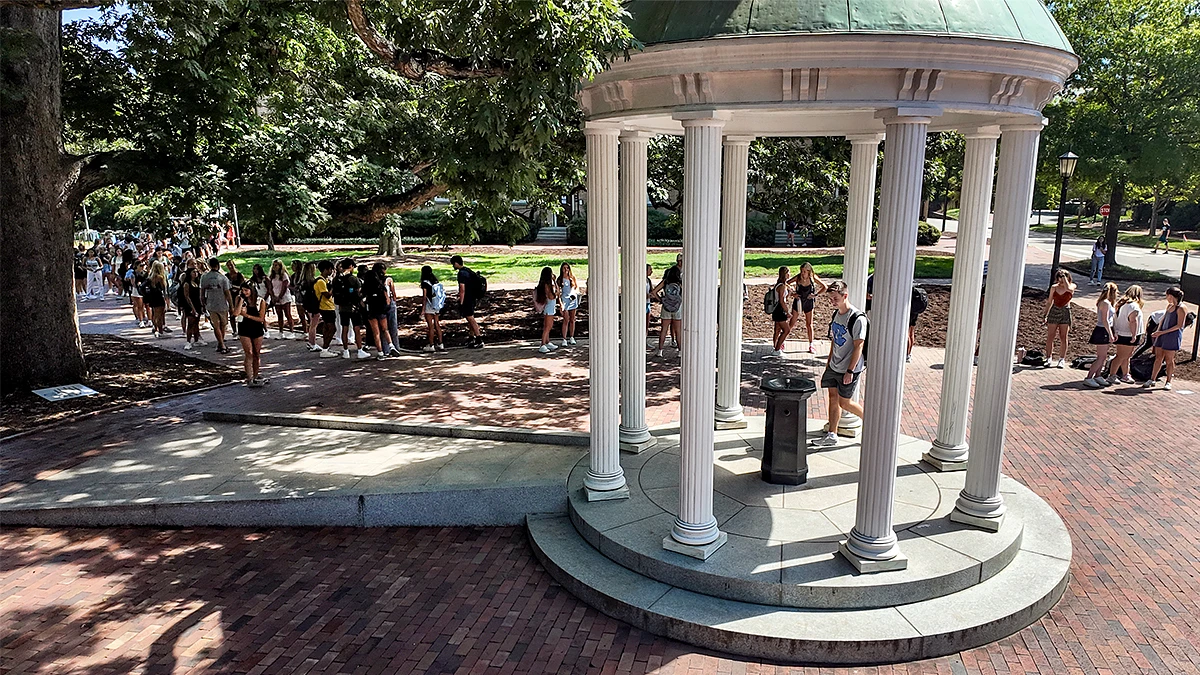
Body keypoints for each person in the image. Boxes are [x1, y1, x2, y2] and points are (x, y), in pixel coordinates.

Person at [812, 281, 867, 447]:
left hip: (849, 368)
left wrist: (850, 371)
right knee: (832, 398)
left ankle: (872, 424)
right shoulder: (837, 314)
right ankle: (832, 434)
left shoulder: (857, 318)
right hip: (834, 365)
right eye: (831, 299)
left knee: (845, 402)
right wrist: (829, 362)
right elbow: (835, 341)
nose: (833, 302)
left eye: (835, 299)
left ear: (845, 296)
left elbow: (859, 345)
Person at [1145, 286, 1187, 390]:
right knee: (1158, 357)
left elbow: (1179, 325)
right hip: (1162, 334)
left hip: (1172, 336)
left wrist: (1163, 332)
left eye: (1167, 295)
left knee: (1169, 359)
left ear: (1171, 296)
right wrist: (1158, 331)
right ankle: (1152, 379)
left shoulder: (1181, 308)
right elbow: (1163, 320)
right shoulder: (1169, 306)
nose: (1166, 297)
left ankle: (1168, 381)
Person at [787, 262, 827, 354]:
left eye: (804, 271)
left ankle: (811, 344)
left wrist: (815, 294)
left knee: (809, 324)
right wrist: (793, 294)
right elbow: (786, 283)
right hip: (798, 302)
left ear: (809, 271)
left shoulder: (813, 278)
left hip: (809, 302)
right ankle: (782, 342)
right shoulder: (798, 278)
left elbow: (824, 287)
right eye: (801, 271)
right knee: (792, 323)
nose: (802, 273)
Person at [331, 258, 368, 359]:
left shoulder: (336, 279)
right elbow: (360, 292)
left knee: (344, 328)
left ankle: (345, 350)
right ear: (351, 266)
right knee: (356, 328)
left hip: (342, 307)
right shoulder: (353, 279)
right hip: (353, 307)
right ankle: (360, 350)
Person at [1083, 283, 1118, 388]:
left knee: (1103, 357)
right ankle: (1089, 377)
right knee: (1101, 357)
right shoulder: (1105, 303)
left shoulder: (1107, 303)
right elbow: (1105, 320)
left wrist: (1114, 331)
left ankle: (1098, 375)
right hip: (1102, 330)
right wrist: (1110, 334)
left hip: (1106, 330)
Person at [1109, 285, 1145, 384]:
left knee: (1126, 356)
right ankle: (1112, 375)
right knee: (1121, 356)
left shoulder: (1121, 304)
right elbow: (1133, 321)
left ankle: (1125, 374)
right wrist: (1134, 335)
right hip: (1128, 334)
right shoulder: (1134, 306)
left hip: (1120, 332)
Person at [233, 284, 268, 387]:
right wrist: (240, 301)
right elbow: (236, 313)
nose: (245, 292)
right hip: (244, 328)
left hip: (256, 328)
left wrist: (247, 315)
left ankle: (256, 375)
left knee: (256, 353)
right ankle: (249, 378)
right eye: (242, 290)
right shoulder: (239, 299)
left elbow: (261, 318)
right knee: (249, 352)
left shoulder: (260, 301)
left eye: (246, 290)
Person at [1042, 269, 1076, 368]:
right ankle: (1048, 358)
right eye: (1059, 278)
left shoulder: (1072, 286)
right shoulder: (1054, 287)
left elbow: (1069, 289)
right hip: (1054, 310)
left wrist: (1064, 277)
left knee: (1063, 336)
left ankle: (1062, 359)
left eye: (1062, 278)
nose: (1060, 281)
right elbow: (1049, 302)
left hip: (1065, 311)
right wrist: (1045, 314)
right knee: (1050, 336)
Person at [200, 257, 233, 354]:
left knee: (216, 325)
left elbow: (202, 292)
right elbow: (227, 293)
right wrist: (231, 306)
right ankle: (222, 344)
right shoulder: (223, 278)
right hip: (222, 304)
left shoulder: (204, 277)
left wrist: (202, 303)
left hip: (210, 304)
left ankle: (220, 343)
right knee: (223, 325)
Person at [451, 255, 484, 348]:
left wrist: (461, 302)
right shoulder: (467, 270)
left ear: (456, 263)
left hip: (467, 299)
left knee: (470, 319)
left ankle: (479, 339)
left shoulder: (461, 273)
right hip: (472, 297)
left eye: (453, 264)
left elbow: (462, 289)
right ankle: (471, 337)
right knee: (470, 318)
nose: (453, 266)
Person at [651, 264, 683, 357]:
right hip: (677, 308)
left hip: (666, 307)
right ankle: (680, 351)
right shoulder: (680, 283)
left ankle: (660, 351)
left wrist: (661, 300)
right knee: (678, 331)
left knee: (664, 330)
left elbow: (654, 292)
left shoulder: (665, 282)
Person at [362, 263, 392, 359]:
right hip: (381, 309)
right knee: (385, 329)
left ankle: (380, 352)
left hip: (371, 310)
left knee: (376, 333)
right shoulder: (380, 286)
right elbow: (387, 299)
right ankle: (391, 345)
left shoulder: (366, 287)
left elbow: (361, 297)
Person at [374, 262, 402, 357]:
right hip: (389, 304)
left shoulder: (375, 280)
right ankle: (395, 347)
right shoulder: (388, 280)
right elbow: (393, 293)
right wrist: (394, 301)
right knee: (393, 326)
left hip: (378, 305)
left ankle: (385, 349)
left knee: (383, 328)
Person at [314, 260, 341, 358]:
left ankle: (326, 347)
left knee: (327, 327)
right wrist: (333, 287)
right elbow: (327, 295)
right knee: (331, 328)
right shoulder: (321, 281)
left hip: (327, 306)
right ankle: (325, 348)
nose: (331, 272)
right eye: (330, 269)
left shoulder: (324, 280)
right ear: (326, 269)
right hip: (326, 307)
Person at [419, 265, 446, 353]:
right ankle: (441, 344)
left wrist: (422, 310)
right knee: (437, 324)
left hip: (429, 305)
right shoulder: (435, 281)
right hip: (436, 304)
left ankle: (431, 345)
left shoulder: (424, 283)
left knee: (430, 326)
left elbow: (424, 297)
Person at [266, 259, 295, 339]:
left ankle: (291, 331)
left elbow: (284, 287)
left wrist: (280, 296)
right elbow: (270, 287)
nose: (275, 267)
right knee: (279, 315)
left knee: (287, 314)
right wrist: (273, 296)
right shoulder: (272, 276)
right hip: (276, 296)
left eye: (276, 265)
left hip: (284, 297)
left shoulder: (284, 275)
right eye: (274, 265)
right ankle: (281, 332)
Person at [535, 267, 559, 353]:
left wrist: (555, 283)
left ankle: (547, 342)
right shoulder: (546, 285)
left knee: (548, 326)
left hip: (550, 307)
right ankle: (542, 344)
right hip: (549, 307)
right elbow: (551, 296)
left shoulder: (549, 284)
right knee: (548, 326)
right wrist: (556, 293)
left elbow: (557, 292)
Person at [181, 268, 206, 350]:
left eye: (196, 272)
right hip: (190, 306)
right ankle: (188, 341)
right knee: (191, 323)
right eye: (193, 272)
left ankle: (196, 339)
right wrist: (192, 308)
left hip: (198, 304)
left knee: (196, 322)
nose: (195, 273)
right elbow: (187, 296)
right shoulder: (187, 284)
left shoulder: (197, 283)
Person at [769, 267, 791, 357]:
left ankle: (775, 347)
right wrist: (787, 311)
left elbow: (784, 298)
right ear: (784, 274)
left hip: (777, 309)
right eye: (788, 273)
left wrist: (789, 293)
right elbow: (782, 301)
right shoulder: (781, 286)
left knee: (777, 330)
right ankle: (777, 349)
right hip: (779, 310)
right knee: (786, 330)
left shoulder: (780, 285)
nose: (789, 274)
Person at [144, 260, 170, 337]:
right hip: (159, 297)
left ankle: (155, 329)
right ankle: (160, 331)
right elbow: (163, 289)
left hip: (152, 297)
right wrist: (166, 299)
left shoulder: (150, 277)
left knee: (154, 314)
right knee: (160, 315)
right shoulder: (160, 277)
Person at [558, 262, 581, 347]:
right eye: (564, 268)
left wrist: (575, 293)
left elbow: (576, 287)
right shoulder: (560, 279)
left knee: (572, 319)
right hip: (565, 300)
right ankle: (564, 338)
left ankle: (571, 336)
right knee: (566, 319)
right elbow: (558, 291)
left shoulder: (572, 278)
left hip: (572, 299)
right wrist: (560, 303)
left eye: (567, 268)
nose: (566, 270)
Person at [906, 285, 929, 363]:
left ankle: (906, 354)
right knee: (911, 332)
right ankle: (909, 354)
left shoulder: (907, 290)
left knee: (906, 333)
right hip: (915, 312)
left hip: (910, 311)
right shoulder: (915, 292)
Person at [128, 260, 147, 328]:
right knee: (139, 306)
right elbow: (133, 283)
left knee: (145, 305)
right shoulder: (133, 273)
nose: (142, 267)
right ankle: (140, 320)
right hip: (136, 291)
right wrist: (139, 285)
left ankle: (144, 318)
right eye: (140, 266)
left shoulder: (144, 273)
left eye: (143, 265)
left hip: (144, 291)